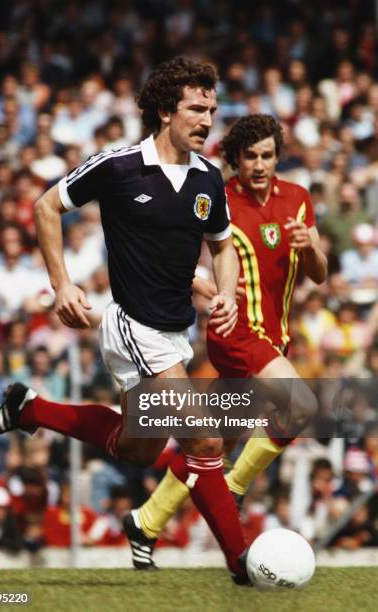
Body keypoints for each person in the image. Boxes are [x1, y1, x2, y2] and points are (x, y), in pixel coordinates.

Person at [0, 57, 249, 583]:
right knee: (204, 441)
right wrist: (62, 283)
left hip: (175, 331)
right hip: (133, 323)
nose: (208, 119)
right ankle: (243, 563)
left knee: (136, 449)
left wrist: (229, 293)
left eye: (213, 109)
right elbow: (44, 207)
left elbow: (223, 248)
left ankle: (30, 409)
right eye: (197, 108)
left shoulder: (208, 179)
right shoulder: (119, 165)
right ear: (166, 111)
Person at [125, 114, 328, 568]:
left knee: (211, 443)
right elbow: (173, 251)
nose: (259, 164)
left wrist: (309, 248)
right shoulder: (217, 196)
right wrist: (203, 287)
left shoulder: (297, 199)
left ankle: (145, 522)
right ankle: (233, 488)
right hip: (234, 331)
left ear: (278, 156)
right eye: (250, 156)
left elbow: (319, 273)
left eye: (267, 155)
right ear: (235, 158)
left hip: (274, 337)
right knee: (302, 406)